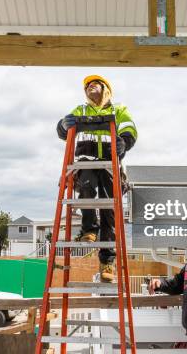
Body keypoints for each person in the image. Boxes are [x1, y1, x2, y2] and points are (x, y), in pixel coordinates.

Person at [56, 75, 137, 282]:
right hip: (86, 161)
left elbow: (129, 128)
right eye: (88, 86)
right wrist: (63, 125)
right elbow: (63, 129)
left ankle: (107, 263)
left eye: (95, 84)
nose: (90, 87)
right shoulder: (80, 110)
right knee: (86, 187)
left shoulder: (118, 110)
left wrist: (124, 143)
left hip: (109, 163)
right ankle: (89, 228)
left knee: (109, 213)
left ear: (106, 90)